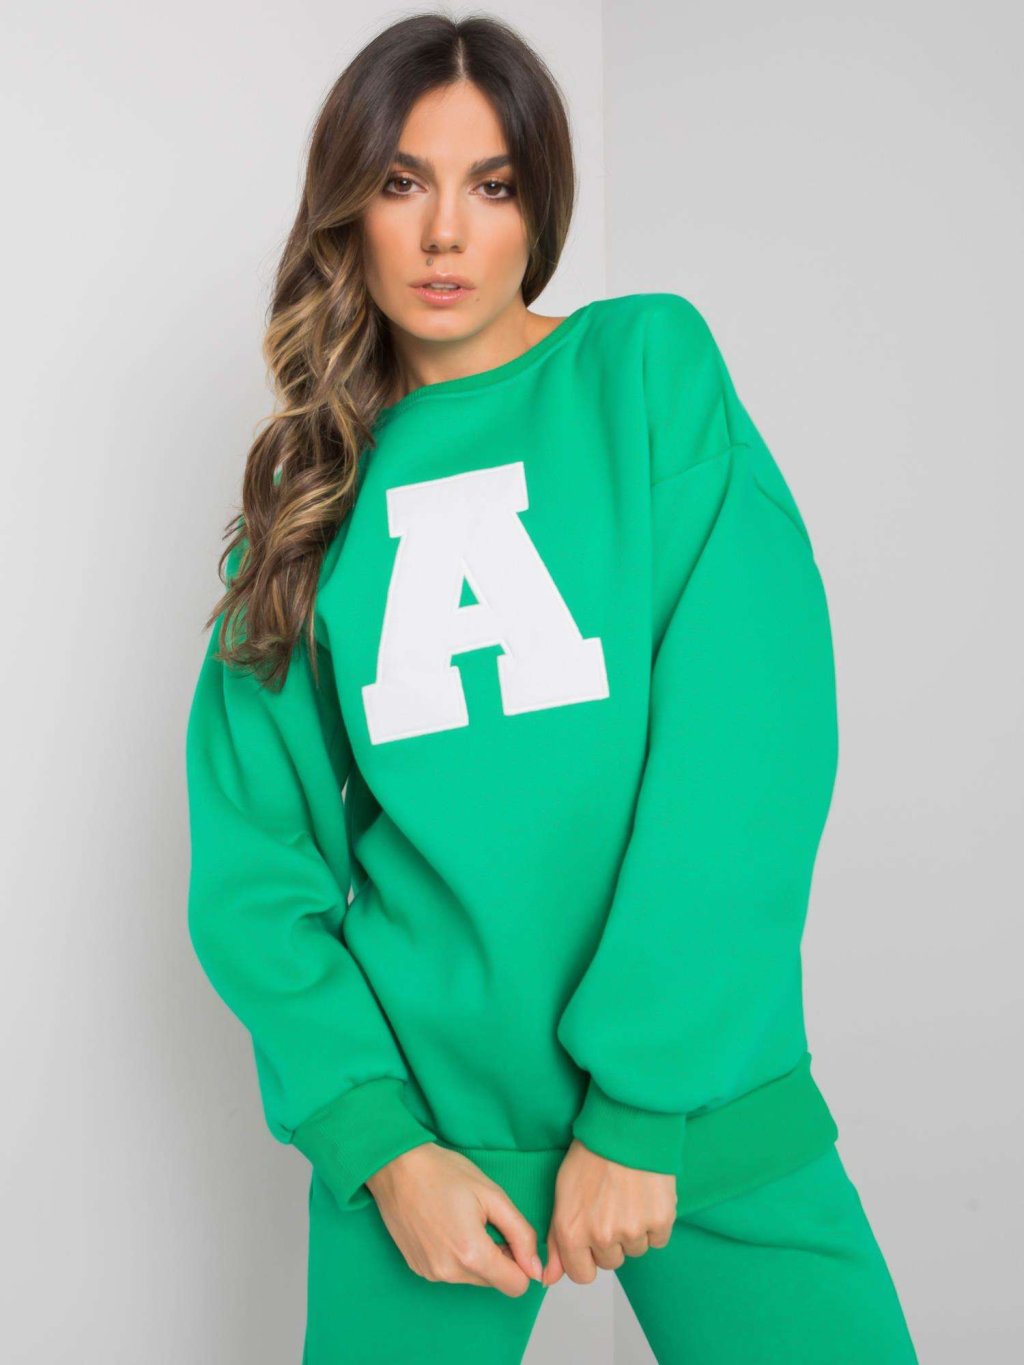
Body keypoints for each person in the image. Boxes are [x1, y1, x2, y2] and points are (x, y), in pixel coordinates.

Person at [184, 12, 920, 1363]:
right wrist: (381, 1144)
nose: (445, 233)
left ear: (541, 206)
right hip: (431, 1143)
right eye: (402, 182)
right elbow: (253, 867)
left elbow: (748, 746)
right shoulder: (309, 492)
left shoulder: (645, 372)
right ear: (349, 207)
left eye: (493, 184)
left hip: (701, 1099)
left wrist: (641, 1105)